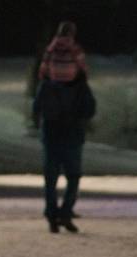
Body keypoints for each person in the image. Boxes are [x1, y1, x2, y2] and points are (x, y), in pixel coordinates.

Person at [32, 70, 95, 233]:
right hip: (72, 136)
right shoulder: (80, 85)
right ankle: (65, 213)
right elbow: (90, 109)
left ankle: (52, 216)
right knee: (73, 177)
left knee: (51, 180)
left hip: (51, 136)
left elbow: (36, 107)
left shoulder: (46, 84)